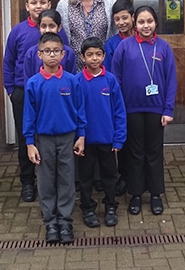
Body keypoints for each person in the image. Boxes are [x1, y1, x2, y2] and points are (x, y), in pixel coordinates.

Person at [110, 5, 177, 216]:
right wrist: (118, 110)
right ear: (134, 23)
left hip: (157, 109)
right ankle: (136, 194)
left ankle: (156, 194)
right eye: (141, 22)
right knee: (135, 153)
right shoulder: (124, 47)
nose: (145, 26)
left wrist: (168, 109)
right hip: (131, 110)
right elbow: (115, 79)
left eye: (149, 21)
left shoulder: (164, 48)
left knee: (154, 153)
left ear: (156, 23)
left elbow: (171, 80)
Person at [2, 0, 67, 203]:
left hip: (53, 92)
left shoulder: (59, 31)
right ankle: (28, 182)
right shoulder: (18, 31)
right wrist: (11, 90)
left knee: (52, 136)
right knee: (26, 137)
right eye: (34, 3)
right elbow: (9, 61)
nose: (38, 6)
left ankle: (55, 180)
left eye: (42, 2)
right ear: (27, 6)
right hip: (23, 92)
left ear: (49, 5)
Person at [23, 32, 86, 244]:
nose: (52, 55)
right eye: (47, 51)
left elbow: (80, 110)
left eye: (56, 51)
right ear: (39, 54)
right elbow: (28, 116)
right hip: (44, 139)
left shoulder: (72, 81)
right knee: (46, 180)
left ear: (63, 54)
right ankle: (50, 222)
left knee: (67, 179)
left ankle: (65, 221)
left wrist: (81, 135)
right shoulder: (33, 83)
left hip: (68, 137)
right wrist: (30, 143)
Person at [76, 37, 127, 228]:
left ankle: (110, 206)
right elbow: (75, 112)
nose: (94, 58)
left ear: (104, 56)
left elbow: (119, 111)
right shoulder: (77, 81)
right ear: (82, 57)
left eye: (98, 54)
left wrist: (118, 139)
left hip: (108, 139)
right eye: (90, 55)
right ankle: (88, 208)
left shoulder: (110, 80)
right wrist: (78, 137)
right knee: (86, 177)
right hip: (86, 141)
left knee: (109, 175)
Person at [56, 0, 117, 71]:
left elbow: (115, 33)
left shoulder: (109, 2)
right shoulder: (64, 5)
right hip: (74, 69)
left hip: (103, 67)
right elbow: (60, 36)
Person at [102, 0, 135, 196]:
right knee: (122, 139)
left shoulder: (143, 39)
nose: (121, 22)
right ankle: (124, 176)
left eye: (125, 18)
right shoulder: (111, 45)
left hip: (140, 99)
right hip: (120, 99)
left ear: (133, 17)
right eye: (117, 19)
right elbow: (109, 73)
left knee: (138, 141)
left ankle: (139, 175)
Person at [23, 9, 76, 81]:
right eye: (43, 26)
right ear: (39, 27)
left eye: (52, 26)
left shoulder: (68, 52)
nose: (47, 30)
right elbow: (28, 82)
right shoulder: (31, 53)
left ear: (59, 27)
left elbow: (72, 80)